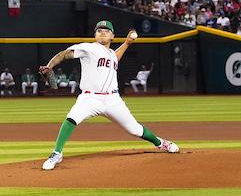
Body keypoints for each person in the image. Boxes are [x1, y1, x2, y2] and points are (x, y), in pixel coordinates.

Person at [38, 20, 178, 170]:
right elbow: (64, 54)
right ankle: (56, 153)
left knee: (135, 129)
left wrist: (127, 43)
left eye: (106, 30)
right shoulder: (89, 48)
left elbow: (114, 58)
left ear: (112, 36)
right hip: (90, 98)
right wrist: (50, 65)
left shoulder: (111, 54)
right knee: (71, 118)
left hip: (112, 100)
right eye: (99, 30)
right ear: (95, 35)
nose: (102, 32)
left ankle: (159, 142)